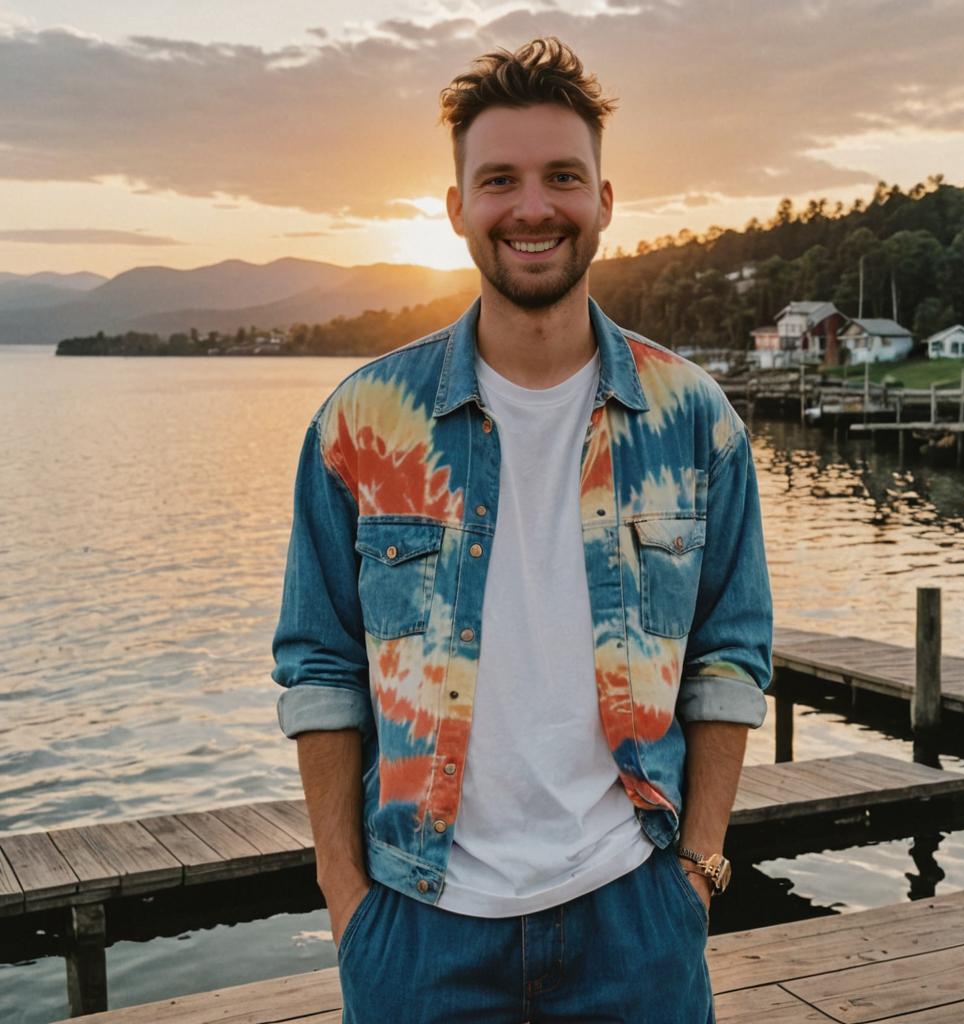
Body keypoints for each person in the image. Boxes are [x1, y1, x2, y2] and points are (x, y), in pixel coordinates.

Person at [272, 36, 773, 1024]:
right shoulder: (361, 425)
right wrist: (347, 901)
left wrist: (697, 871)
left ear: (604, 201)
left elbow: (728, 653)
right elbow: (320, 667)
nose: (532, 206)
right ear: (456, 207)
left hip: (633, 915)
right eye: (498, 179)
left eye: (561, 176)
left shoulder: (695, 420)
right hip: (419, 929)